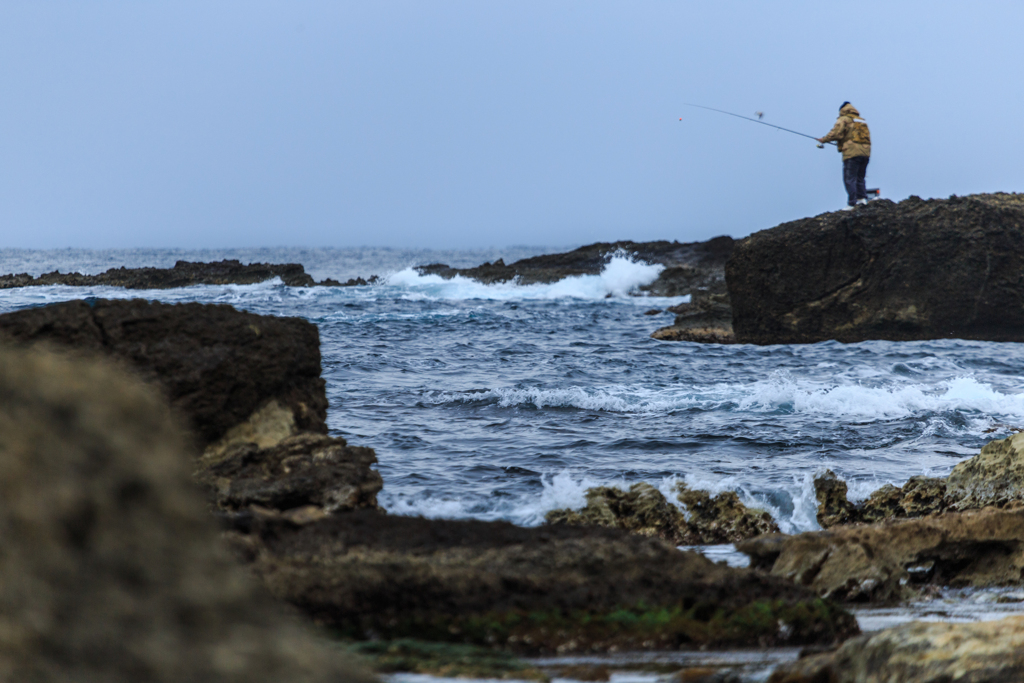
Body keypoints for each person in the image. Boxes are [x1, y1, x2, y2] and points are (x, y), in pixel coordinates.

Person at [817, 102, 871, 210]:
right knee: (860, 177)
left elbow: (836, 133)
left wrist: (824, 139)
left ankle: (851, 203)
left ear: (842, 110)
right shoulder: (861, 120)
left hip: (851, 153)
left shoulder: (844, 119)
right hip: (865, 153)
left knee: (849, 178)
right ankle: (862, 200)